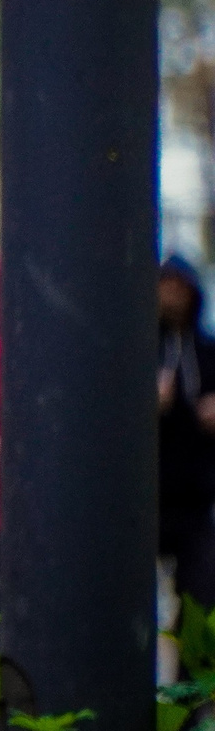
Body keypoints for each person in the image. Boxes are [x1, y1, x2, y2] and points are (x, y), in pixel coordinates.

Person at [157, 256, 215, 611]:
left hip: (196, 494)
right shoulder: (140, 351)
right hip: (148, 492)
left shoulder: (207, 352)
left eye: (180, 288)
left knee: (199, 595)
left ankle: (191, 664)